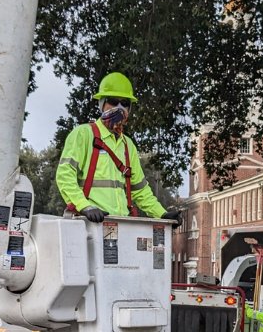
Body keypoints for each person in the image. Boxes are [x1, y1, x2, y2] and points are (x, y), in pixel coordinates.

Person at [55, 71, 182, 224]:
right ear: (102, 104)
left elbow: (140, 191)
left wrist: (162, 214)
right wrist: (85, 207)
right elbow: (64, 176)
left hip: (121, 225)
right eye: (114, 101)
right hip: (87, 223)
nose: (119, 108)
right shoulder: (83, 135)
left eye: (125, 103)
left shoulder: (128, 146)